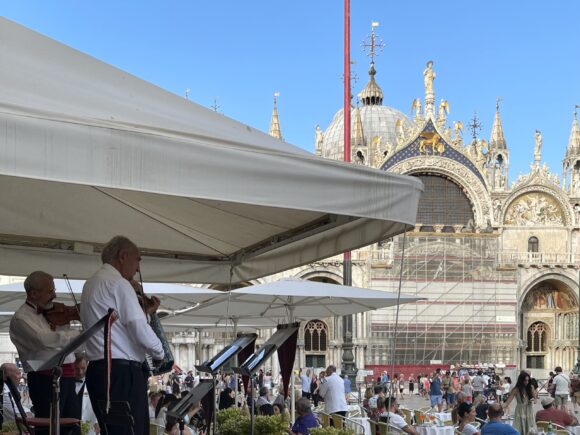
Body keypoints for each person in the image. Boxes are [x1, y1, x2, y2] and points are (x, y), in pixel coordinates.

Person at [81, 235, 164, 435]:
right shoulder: (119, 284)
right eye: (137, 260)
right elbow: (137, 327)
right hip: (121, 372)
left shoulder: (90, 284)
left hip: (98, 370)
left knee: (112, 430)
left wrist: (145, 313)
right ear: (123, 256)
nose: (137, 268)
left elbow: (118, 326)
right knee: (132, 431)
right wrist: (160, 352)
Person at [9, 270, 81, 435]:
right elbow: (46, 340)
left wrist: (69, 319)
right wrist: (77, 333)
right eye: (50, 291)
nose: (55, 295)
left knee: (73, 426)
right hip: (44, 379)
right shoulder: (22, 318)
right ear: (34, 293)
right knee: (50, 428)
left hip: (68, 376)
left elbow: (67, 346)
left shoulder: (52, 313)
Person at [503, 371, 537, 435]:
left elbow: (535, 399)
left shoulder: (531, 387)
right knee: (519, 429)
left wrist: (533, 400)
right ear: (521, 380)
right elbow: (507, 403)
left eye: (528, 380)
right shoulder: (516, 389)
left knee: (530, 429)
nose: (526, 382)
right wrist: (498, 407)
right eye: (525, 380)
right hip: (519, 411)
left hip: (529, 410)